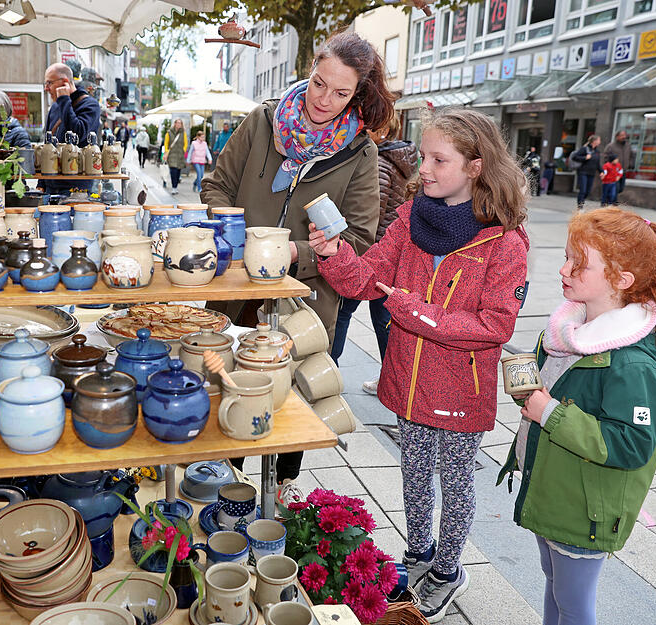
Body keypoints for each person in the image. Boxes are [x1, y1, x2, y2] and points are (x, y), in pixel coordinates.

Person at [308, 106, 529, 623]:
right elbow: (364, 280)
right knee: (412, 475)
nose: (422, 168)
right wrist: (334, 252)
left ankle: (449, 569)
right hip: (407, 381)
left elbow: (495, 326)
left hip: (459, 390)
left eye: (438, 159)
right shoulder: (411, 219)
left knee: (453, 485)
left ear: (476, 166)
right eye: (423, 155)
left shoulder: (504, 241)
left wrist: (413, 311)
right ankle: (418, 556)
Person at [201, 31, 393, 508]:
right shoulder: (264, 121)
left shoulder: (360, 153)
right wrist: (233, 233)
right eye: (318, 82)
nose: (323, 100)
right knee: (226, 389)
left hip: (304, 302)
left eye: (340, 92)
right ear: (310, 68)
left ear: (358, 94)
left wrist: (297, 254)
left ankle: (278, 500)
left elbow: (360, 241)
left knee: (290, 403)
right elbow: (217, 185)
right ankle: (223, 491)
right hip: (236, 291)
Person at [498, 208, 656, 625]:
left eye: (578, 264)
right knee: (554, 582)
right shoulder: (568, 329)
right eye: (567, 256)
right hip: (554, 490)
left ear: (622, 280)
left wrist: (548, 411)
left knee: (574, 603)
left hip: (585, 508)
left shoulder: (633, 363)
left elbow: (631, 443)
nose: (563, 269)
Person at [328, 114, 419, 394]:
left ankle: (329, 370)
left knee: (343, 313)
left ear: (381, 131)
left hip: (375, 255)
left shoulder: (378, 161)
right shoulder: (406, 159)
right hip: (397, 255)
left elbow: (370, 216)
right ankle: (392, 379)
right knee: (386, 322)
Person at [42, 62, 101, 196]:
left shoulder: (90, 105)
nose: (46, 88)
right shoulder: (56, 107)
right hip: (51, 185)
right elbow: (47, 143)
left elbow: (78, 134)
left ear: (65, 82)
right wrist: (42, 183)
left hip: (76, 187)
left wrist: (64, 99)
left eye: (49, 83)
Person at [570, 135, 602, 210]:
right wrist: (585, 158)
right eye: (599, 140)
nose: (600, 142)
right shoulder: (584, 149)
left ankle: (581, 203)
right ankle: (580, 207)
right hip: (583, 172)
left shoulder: (597, 152)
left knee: (587, 191)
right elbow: (574, 157)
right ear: (594, 141)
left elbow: (597, 163)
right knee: (583, 190)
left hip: (591, 173)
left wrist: (601, 171)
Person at [603, 130, 633, 197]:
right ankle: (611, 203)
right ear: (617, 137)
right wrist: (610, 166)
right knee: (616, 188)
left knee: (621, 189)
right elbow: (605, 157)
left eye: (624, 135)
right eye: (622, 135)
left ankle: (610, 200)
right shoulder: (611, 146)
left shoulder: (628, 146)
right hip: (613, 171)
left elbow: (631, 155)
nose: (624, 137)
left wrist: (630, 164)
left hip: (623, 171)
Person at [163, 119, 188, 195]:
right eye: (177, 123)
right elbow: (166, 143)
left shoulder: (183, 133)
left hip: (180, 155)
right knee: (173, 171)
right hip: (172, 155)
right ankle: (174, 187)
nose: (178, 124)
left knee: (178, 172)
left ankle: (175, 186)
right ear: (174, 124)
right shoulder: (169, 132)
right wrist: (166, 152)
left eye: (180, 123)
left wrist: (183, 150)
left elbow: (186, 143)